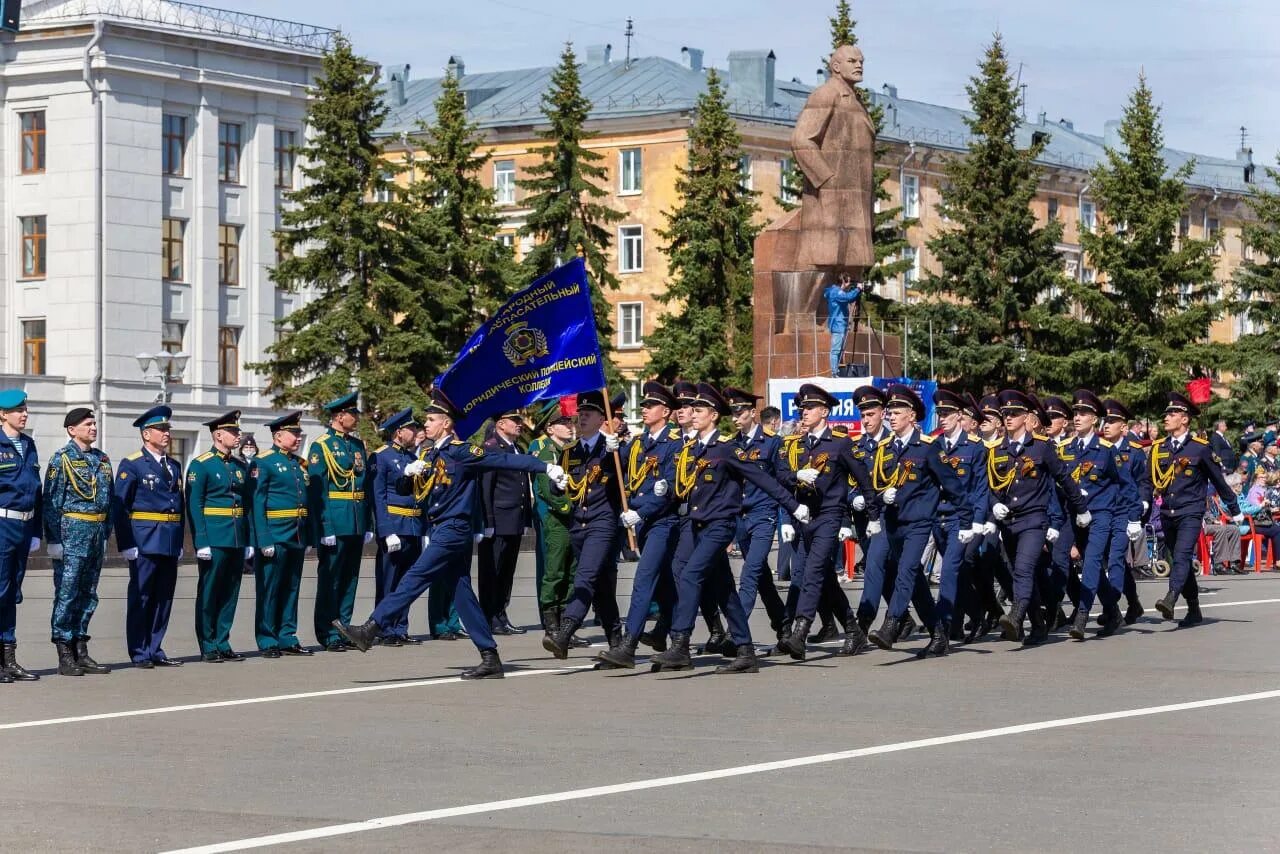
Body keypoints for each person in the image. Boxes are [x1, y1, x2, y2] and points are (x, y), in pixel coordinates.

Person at [335, 389, 566, 680]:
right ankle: (490, 656)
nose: (425, 426)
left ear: (446, 423)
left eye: (430, 420)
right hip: (439, 526)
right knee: (463, 594)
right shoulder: (430, 454)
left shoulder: (463, 452)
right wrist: (409, 473)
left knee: (415, 577)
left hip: (455, 528)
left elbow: (504, 461)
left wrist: (545, 467)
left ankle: (370, 629)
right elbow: (412, 494)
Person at [648, 383, 806, 673]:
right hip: (695, 526)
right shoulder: (692, 449)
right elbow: (685, 487)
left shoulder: (727, 449)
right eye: (692, 410)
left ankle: (680, 644)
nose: (692, 415)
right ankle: (745, 651)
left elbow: (763, 479)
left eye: (698, 410)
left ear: (713, 415)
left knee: (692, 575)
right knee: (723, 589)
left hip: (719, 526)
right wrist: (666, 489)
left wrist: (793, 506)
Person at [865, 385, 972, 652]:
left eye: (896, 411)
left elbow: (953, 486)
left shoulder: (928, 447)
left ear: (912, 416)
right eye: (889, 411)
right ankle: (938, 635)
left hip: (919, 522)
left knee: (907, 570)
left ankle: (891, 624)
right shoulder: (885, 447)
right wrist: (879, 503)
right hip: (893, 523)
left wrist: (968, 522)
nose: (890, 416)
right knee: (916, 583)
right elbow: (876, 484)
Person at [774, 383, 876, 660]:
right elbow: (781, 476)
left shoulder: (840, 443)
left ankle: (800, 632)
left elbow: (863, 478)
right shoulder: (802, 444)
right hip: (806, 517)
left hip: (830, 515)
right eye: (802, 408)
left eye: (809, 408)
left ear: (824, 411)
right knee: (826, 580)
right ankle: (853, 630)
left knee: (813, 571)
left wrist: (872, 515)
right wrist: (797, 476)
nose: (803, 413)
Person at [988, 390, 1088, 644]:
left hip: (1034, 519)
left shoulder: (1041, 448)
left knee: (1023, 569)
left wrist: (1081, 508)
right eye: (1005, 414)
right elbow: (989, 486)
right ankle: (1039, 624)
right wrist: (993, 506)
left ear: (1027, 417)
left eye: (1014, 413)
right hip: (1009, 521)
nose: (1008, 418)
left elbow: (1063, 479)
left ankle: (1017, 616)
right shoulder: (997, 450)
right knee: (1021, 574)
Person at [542, 391, 626, 658]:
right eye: (581, 413)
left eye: (589, 413)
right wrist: (557, 485)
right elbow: (562, 490)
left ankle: (566, 630)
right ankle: (617, 645)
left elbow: (627, 481)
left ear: (603, 418)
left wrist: (619, 454)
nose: (582, 417)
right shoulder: (570, 451)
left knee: (585, 576)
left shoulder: (612, 448)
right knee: (600, 586)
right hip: (579, 523)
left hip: (603, 522)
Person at [1151, 392, 1242, 626]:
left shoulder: (1200, 448)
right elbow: (1147, 481)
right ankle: (1194, 608)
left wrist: (1234, 508)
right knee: (1178, 561)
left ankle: (1171, 598)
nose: (1167, 418)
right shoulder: (1159, 448)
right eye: (1166, 414)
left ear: (1185, 419)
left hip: (1191, 511)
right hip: (1167, 512)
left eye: (1172, 414)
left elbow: (1219, 482)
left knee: (1181, 555)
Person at [1062, 390, 1140, 640]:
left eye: (1084, 413)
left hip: (1101, 514)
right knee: (1086, 562)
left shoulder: (1106, 450)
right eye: (1075, 412)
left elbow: (1127, 485)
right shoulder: (1066, 448)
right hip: (1076, 516)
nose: (1078, 417)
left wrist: (1134, 516)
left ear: (1095, 419)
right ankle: (1113, 610)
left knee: (1093, 561)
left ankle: (1083, 615)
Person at [916, 388, 988, 657]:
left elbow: (980, 488)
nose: (942, 418)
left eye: (947, 414)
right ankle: (979, 613)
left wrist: (977, 522)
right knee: (958, 575)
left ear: (960, 416)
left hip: (962, 518)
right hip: (938, 516)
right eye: (939, 414)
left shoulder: (974, 447)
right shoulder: (934, 446)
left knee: (948, 572)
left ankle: (942, 633)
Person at [114, 404, 185, 668]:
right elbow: (119, 506)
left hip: (168, 539)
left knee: (164, 597)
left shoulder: (174, 466)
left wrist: (178, 541)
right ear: (146, 434)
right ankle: (139, 651)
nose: (167, 433)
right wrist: (126, 543)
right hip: (143, 540)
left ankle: (155, 648)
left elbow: (180, 505)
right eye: (161, 429)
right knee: (142, 596)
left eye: (168, 429)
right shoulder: (132, 464)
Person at [44, 407, 114, 676]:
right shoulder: (61, 459)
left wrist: (106, 533)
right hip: (71, 535)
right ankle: (64, 651)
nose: (93, 428)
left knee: (89, 593)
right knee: (67, 593)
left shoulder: (102, 459)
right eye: (87, 424)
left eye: (94, 423)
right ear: (72, 429)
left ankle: (80, 648)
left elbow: (109, 500)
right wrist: (54, 540)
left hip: (96, 534)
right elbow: (50, 502)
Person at [723, 386, 790, 651]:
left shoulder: (773, 442)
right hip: (741, 517)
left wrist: (786, 519)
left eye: (740, 412)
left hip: (764, 515)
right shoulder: (732, 444)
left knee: (749, 573)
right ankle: (783, 624)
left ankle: (735, 632)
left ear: (753, 413)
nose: (735, 417)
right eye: (733, 413)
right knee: (761, 575)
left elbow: (782, 482)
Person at [309, 392, 373, 651]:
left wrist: (368, 523)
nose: (356, 418)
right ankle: (327, 632)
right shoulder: (321, 446)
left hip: (356, 520)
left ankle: (345, 629)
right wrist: (324, 526)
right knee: (330, 579)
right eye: (352, 414)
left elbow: (364, 486)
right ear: (339, 416)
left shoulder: (356, 446)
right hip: (335, 520)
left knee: (350, 578)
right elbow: (318, 491)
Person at [187, 410, 252, 663]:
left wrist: (248, 540)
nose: (238, 435)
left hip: (236, 537)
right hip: (214, 537)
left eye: (237, 431)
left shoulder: (238, 466)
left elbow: (245, 503)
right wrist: (201, 541)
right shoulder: (201, 464)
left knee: (230, 591)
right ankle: (208, 643)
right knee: (210, 591)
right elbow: (195, 504)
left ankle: (223, 640)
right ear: (218, 435)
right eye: (233, 431)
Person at [250, 411, 313, 657]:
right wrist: (263, 538)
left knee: (291, 587)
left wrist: (307, 535)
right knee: (269, 589)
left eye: (299, 433)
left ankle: (287, 635)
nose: (298, 438)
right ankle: (267, 639)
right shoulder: (263, 462)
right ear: (278, 436)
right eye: (294, 433)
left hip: (296, 534)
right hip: (275, 534)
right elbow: (257, 503)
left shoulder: (297, 463)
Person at [369, 408, 427, 646]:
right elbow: (378, 496)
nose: (415, 432)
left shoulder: (413, 459)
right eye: (411, 429)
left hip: (413, 526)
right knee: (389, 581)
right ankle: (383, 629)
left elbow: (419, 497)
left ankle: (400, 628)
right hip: (394, 526)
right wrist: (386, 530)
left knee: (407, 582)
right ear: (398, 432)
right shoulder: (381, 456)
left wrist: (423, 530)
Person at [478, 410, 533, 635]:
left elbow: (521, 485)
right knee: (492, 570)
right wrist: (487, 520)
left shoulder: (515, 448)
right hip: (498, 520)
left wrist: (525, 517)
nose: (520, 425)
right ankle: (489, 616)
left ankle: (501, 614)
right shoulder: (491, 448)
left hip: (514, 519)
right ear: (501, 424)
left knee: (507, 572)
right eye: (515, 421)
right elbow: (486, 487)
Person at [0, 389, 41, 683]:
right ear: (2, 414)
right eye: (17, 410)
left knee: (12, 593)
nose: (23, 414)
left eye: (25, 409)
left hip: (24, 528)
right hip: (1, 525)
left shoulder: (29, 445)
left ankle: (9, 659)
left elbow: (35, 491)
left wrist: (36, 531)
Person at [530, 408, 576, 635]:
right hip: (555, 516)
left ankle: (566, 625)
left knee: (571, 570)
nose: (569, 426)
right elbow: (547, 488)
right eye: (563, 422)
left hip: (571, 516)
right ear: (550, 428)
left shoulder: (568, 449)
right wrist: (567, 506)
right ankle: (551, 623)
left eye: (570, 422)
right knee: (555, 570)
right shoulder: (545, 449)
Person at [824, 274, 864, 377]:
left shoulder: (833, 291)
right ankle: (834, 372)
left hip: (839, 324)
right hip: (838, 325)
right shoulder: (837, 292)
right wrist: (858, 289)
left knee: (837, 349)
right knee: (835, 350)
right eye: (848, 282)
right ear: (843, 281)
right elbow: (848, 297)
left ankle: (835, 371)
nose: (849, 284)